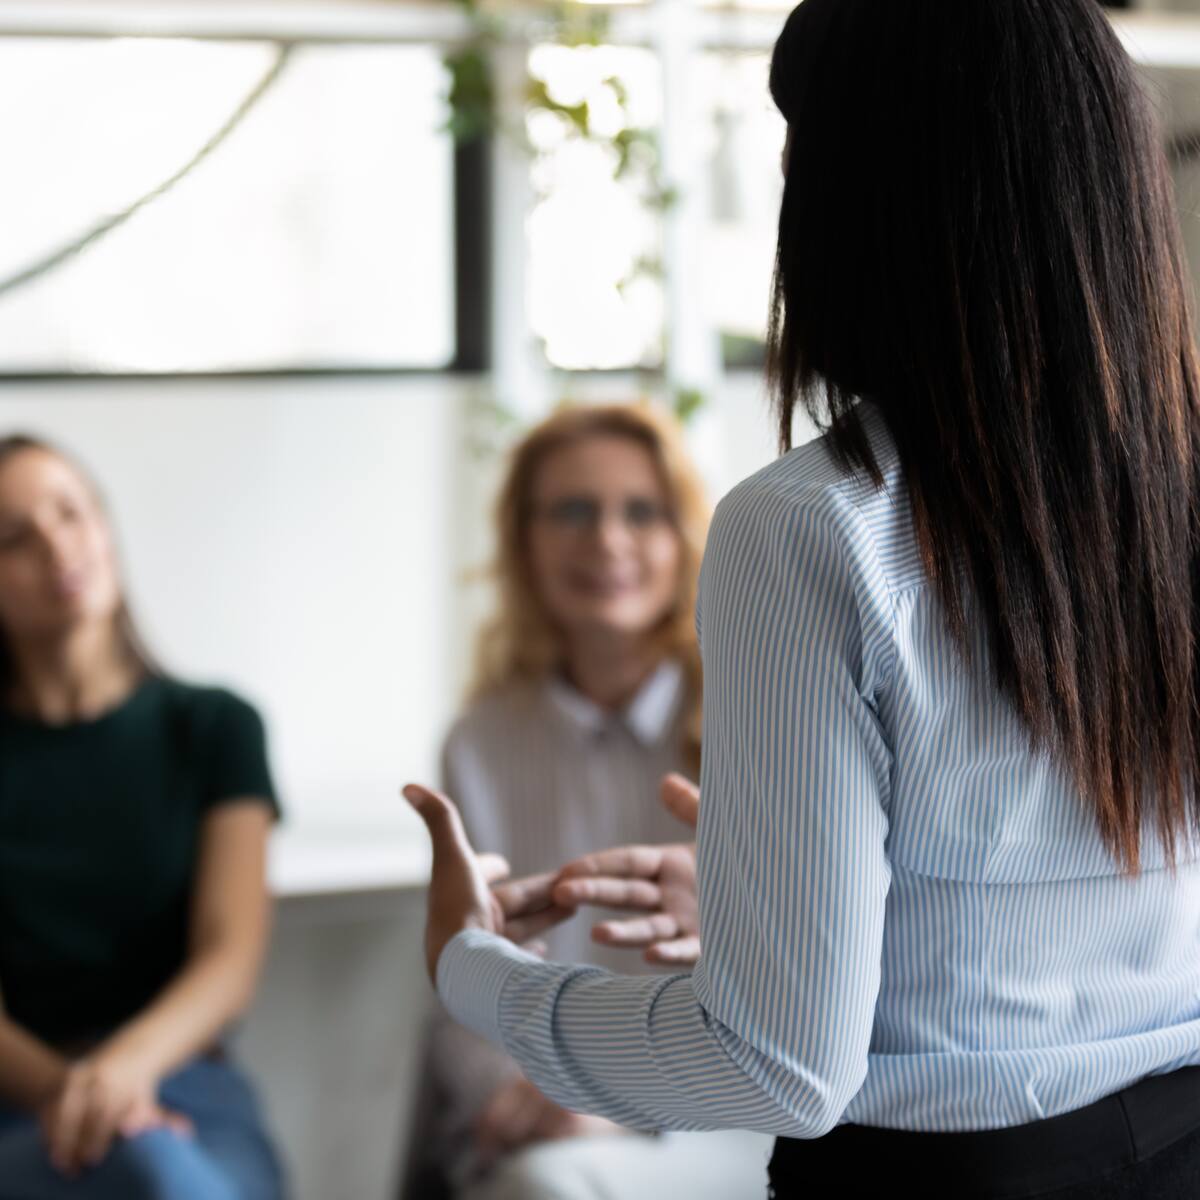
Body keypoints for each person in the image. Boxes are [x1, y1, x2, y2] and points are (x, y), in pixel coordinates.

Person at [405, 1, 1200, 1196]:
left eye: (800, 162)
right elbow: (1062, 919)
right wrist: (770, 920)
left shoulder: (813, 530)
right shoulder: (1175, 494)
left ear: (868, 205)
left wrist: (471, 966)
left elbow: (776, 1066)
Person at [402, 404, 770, 1200]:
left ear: (684, 536)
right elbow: (458, 973)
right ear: (522, 541)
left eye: (641, 511)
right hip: (537, 1122)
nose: (606, 539)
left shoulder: (760, 716)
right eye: (572, 510)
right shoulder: (480, 742)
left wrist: (620, 1107)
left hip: (725, 1121)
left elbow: (797, 988)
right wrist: (521, 1094)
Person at [0, 435, 285, 1200]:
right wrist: (81, 1095)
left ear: (105, 527)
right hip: (20, 1103)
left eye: (70, 513)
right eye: (15, 537)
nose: (56, 545)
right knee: (148, 1169)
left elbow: (230, 957)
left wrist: (124, 1072)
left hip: (188, 1084)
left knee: (169, 1173)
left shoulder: (216, 727)